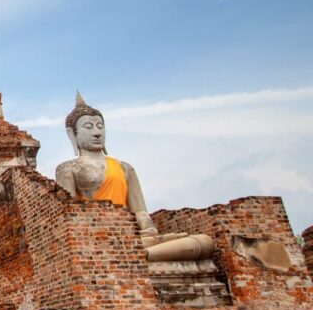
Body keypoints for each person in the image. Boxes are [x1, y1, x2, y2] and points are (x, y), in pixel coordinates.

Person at [55, 93, 213, 262]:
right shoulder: (68, 169)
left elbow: (140, 211)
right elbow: (70, 215)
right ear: (72, 134)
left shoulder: (124, 167)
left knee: (204, 242)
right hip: (96, 235)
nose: (97, 133)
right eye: (88, 127)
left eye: (100, 126)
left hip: (135, 237)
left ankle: (137, 255)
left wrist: (148, 228)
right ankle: (136, 256)